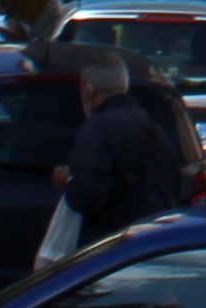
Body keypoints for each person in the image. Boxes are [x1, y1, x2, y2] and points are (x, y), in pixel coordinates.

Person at [56, 48, 189, 248]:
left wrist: (68, 181)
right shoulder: (152, 126)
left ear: (89, 90)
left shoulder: (97, 129)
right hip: (150, 242)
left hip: (110, 246)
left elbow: (87, 197)